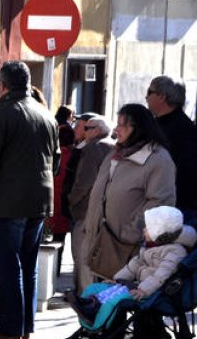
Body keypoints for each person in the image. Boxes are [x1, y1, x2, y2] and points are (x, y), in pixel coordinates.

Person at [0, 61, 59, 339]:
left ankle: (10, 330)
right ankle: (23, 326)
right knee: (27, 266)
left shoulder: (3, 113)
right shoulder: (46, 114)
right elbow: (55, 161)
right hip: (39, 200)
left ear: (3, 85)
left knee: (8, 266)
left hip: (6, 202)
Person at [81, 104, 176, 283]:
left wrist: (130, 233)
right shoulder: (116, 154)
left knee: (115, 302)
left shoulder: (158, 160)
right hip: (101, 242)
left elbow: (160, 202)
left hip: (128, 250)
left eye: (122, 125)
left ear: (138, 128)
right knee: (97, 300)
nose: (116, 129)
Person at [66, 206, 190, 323]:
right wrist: (118, 279)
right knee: (99, 289)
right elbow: (134, 265)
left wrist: (144, 290)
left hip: (154, 291)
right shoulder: (151, 246)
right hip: (139, 285)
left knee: (116, 298)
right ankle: (89, 303)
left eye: (148, 228)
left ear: (159, 232)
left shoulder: (175, 251)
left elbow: (161, 275)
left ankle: (94, 311)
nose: (144, 230)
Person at [66, 114, 115, 291]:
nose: (84, 131)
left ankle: (85, 296)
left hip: (86, 211)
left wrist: (71, 200)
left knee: (83, 259)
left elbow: (84, 181)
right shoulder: (112, 146)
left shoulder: (94, 148)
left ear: (98, 131)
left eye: (87, 128)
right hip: (104, 211)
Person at [145, 75, 197, 223]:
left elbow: (185, 174)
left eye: (149, 92)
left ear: (162, 96)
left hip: (172, 210)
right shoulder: (157, 125)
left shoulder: (182, 130)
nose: (146, 97)